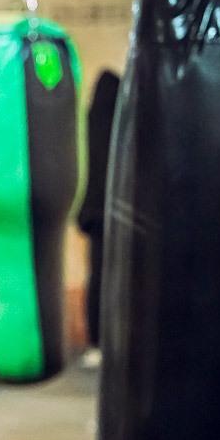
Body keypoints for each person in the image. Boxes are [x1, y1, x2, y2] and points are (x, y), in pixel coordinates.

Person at [76, 68, 121, 369]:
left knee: (100, 274)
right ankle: (101, 340)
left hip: (96, 210)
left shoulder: (92, 119)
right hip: (106, 209)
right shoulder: (114, 120)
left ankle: (98, 341)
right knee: (106, 276)